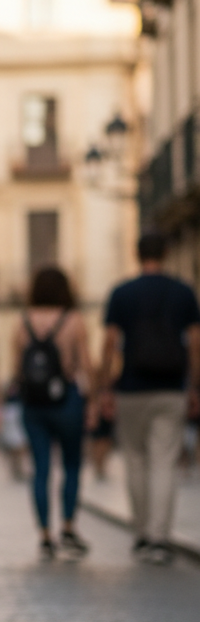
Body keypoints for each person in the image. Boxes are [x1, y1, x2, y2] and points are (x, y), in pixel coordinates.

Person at [99, 233, 200, 565]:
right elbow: (195, 343)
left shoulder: (122, 293)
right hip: (171, 388)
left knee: (136, 461)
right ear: (167, 252)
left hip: (131, 388)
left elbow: (110, 343)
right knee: (164, 462)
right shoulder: (183, 292)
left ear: (136, 253)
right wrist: (194, 386)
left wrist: (104, 389)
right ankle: (159, 537)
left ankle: (142, 534)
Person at [14, 266, 93, 561]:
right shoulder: (74, 321)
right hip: (67, 401)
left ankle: (45, 535)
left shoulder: (22, 322)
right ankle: (69, 527)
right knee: (72, 465)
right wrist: (95, 399)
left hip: (33, 404)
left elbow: (16, 370)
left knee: (41, 469)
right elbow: (85, 365)